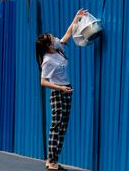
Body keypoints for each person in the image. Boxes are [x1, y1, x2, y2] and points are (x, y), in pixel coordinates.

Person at [35, 9, 87, 170]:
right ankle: (51, 163)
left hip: (66, 90)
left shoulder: (58, 49)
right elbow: (43, 82)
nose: (56, 38)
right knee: (56, 126)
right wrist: (61, 88)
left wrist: (76, 18)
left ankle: (53, 160)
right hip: (58, 93)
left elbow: (67, 34)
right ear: (48, 46)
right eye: (52, 39)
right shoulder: (48, 60)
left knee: (62, 127)